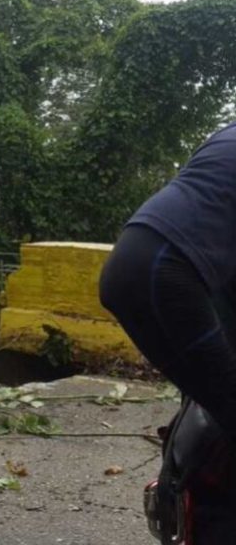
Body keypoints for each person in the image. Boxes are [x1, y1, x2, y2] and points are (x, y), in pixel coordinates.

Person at [100, 122, 236, 543]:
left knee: (212, 403)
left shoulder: (226, 135)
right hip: (169, 274)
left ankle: (189, 507)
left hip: (138, 262)